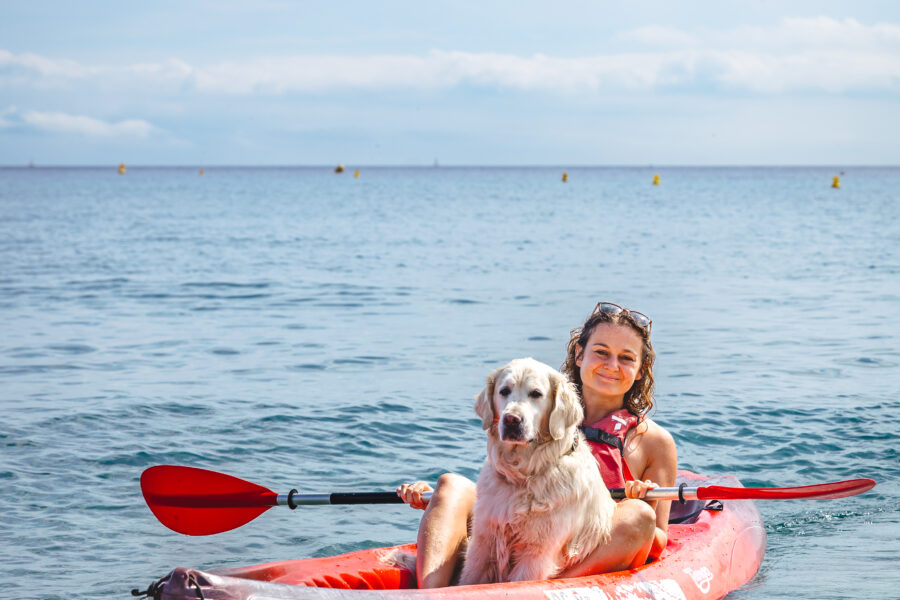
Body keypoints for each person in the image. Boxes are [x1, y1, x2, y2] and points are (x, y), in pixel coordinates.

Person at [397, 302, 678, 588]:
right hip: (512, 521)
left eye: (626, 358)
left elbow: (657, 540)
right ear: (579, 355)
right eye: (601, 352)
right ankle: (431, 593)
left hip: (583, 546)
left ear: (641, 370)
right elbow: (498, 489)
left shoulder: (654, 441)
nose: (611, 365)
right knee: (450, 485)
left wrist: (647, 499)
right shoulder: (539, 409)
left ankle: (540, 591)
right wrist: (433, 499)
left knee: (639, 516)